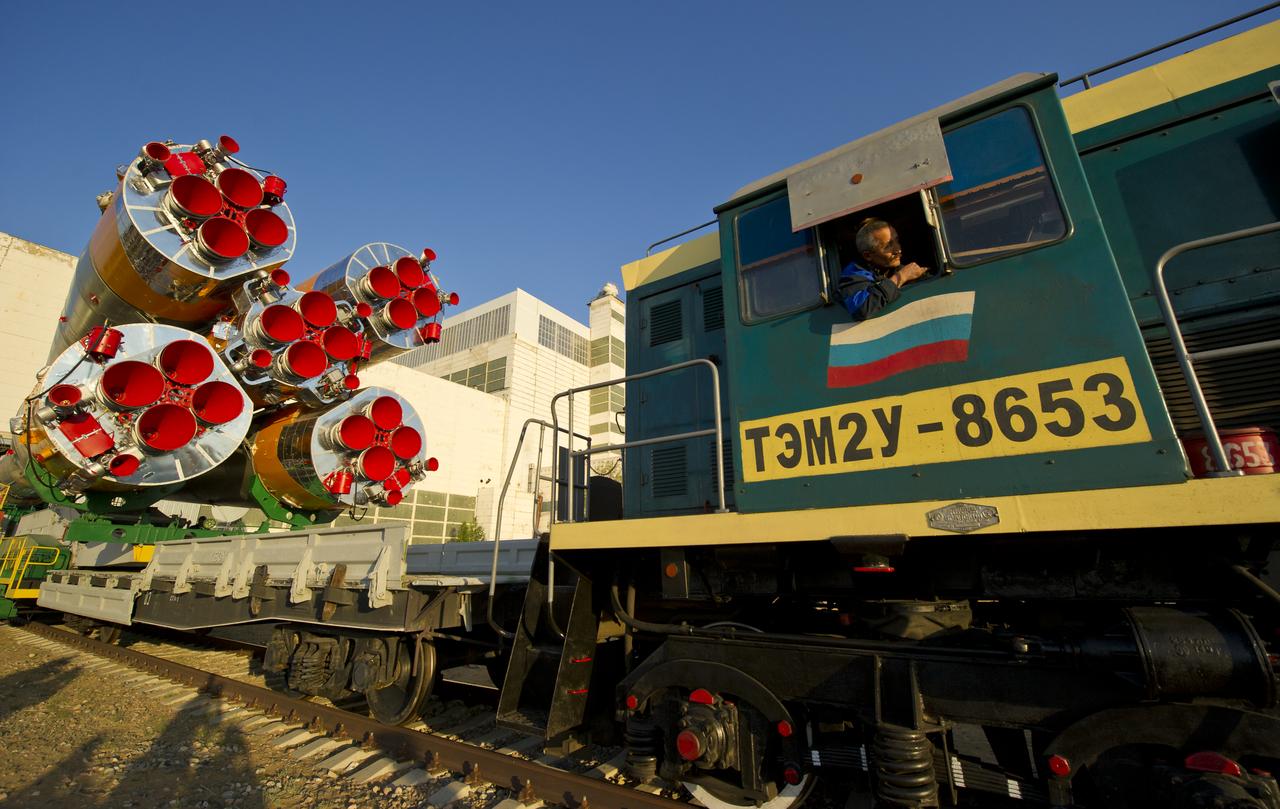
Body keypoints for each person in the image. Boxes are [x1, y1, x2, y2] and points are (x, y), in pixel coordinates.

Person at [837, 219, 929, 320]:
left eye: (897, 241)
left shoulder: (895, 268)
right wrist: (900, 277)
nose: (898, 249)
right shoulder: (853, 274)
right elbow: (862, 309)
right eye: (888, 246)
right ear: (868, 255)